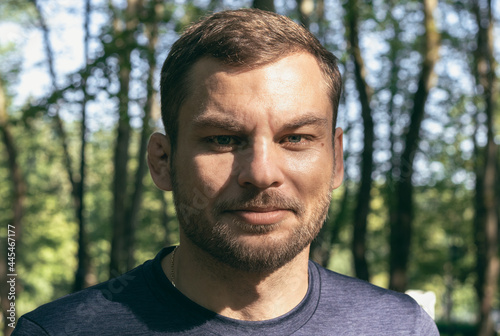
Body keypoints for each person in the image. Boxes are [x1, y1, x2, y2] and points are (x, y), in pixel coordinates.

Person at [13, 8, 439, 335]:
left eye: (296, 138)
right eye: (222, 139)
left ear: (337, 160)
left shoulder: (401, 327)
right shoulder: (61, 331)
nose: (261, 172)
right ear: (161, 161)